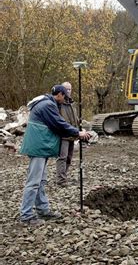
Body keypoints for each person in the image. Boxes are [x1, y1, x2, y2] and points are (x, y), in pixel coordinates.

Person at [19, 85, 90, 226]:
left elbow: (57, 125)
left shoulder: (46, 103)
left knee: (40, 181)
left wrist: (74, 132)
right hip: (39, 146)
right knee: (34, 182)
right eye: (64, 96)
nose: (65, 100)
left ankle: (43, 210)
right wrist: (77, 133)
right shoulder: (48, 105)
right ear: (59, 94)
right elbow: (59, 123)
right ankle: (26, 215)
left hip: (41, 145)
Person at [56, 81, 80, 186]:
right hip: (63, 135)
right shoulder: (58, 104)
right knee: (63, 157)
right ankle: (61, 180)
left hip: (72, 134)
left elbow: (74, 118)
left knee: (69, 158)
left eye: (70, 89)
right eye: (66, 89)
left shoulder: (72, 104)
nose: (68, 91)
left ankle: (63, 176)